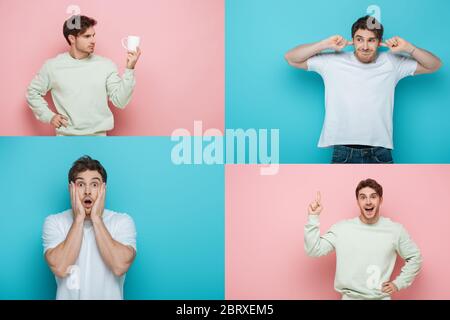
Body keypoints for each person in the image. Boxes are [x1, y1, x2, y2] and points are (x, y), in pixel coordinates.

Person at [285, 15, 442, 163]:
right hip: (342, 150)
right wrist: (324, 44)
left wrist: (409, 48)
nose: (365, 46)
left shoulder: (392, 63)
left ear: (379, 42)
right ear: (353, 40)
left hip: (381, 151)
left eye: (371, 40)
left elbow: (434, 65)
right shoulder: (332, 61)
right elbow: (291, 58)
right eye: (360, 40)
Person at [304, 178, 422, 300]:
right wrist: (313, 216)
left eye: (373, 196)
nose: (368, 202)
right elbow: (314, 249)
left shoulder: (395, 230)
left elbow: (415, 257)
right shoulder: (342, 229)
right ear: (358, 202)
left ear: (380, 200)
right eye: (363, 197)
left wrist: (398, 284)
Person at [27, 15, 141, 136]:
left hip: (99, 137)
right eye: (87, 36)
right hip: (66, 138)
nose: (93, 40)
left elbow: (120, 101)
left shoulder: (106, 65)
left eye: (93, 35)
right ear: (72, 38)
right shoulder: (53, 66)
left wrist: (130, 68)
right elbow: (32, 92)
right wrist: (49, 116)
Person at [42, 156, 137, 299]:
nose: (87, 191)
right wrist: (79, 219)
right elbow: (61, 268)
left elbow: (119, 266)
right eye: (80, 185)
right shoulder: (54, 222)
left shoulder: (122, 221)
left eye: (94, 184)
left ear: (103, 189)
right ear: (71, 189)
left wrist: (96, 219)